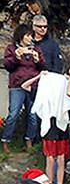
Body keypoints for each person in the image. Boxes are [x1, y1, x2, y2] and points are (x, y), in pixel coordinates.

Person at [3, 25, 43, 153]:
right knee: (13, 114)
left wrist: (38, 60)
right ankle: (5, 141)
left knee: (32, 115)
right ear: (21, 36)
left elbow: (43, 66)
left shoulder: (36, 48)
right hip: (17, 85)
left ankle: (29, 141)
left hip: (32, 86)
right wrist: (17, 56)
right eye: (28, 36)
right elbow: (8, 66)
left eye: (31, 36)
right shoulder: (11, 48)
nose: (31, 38)